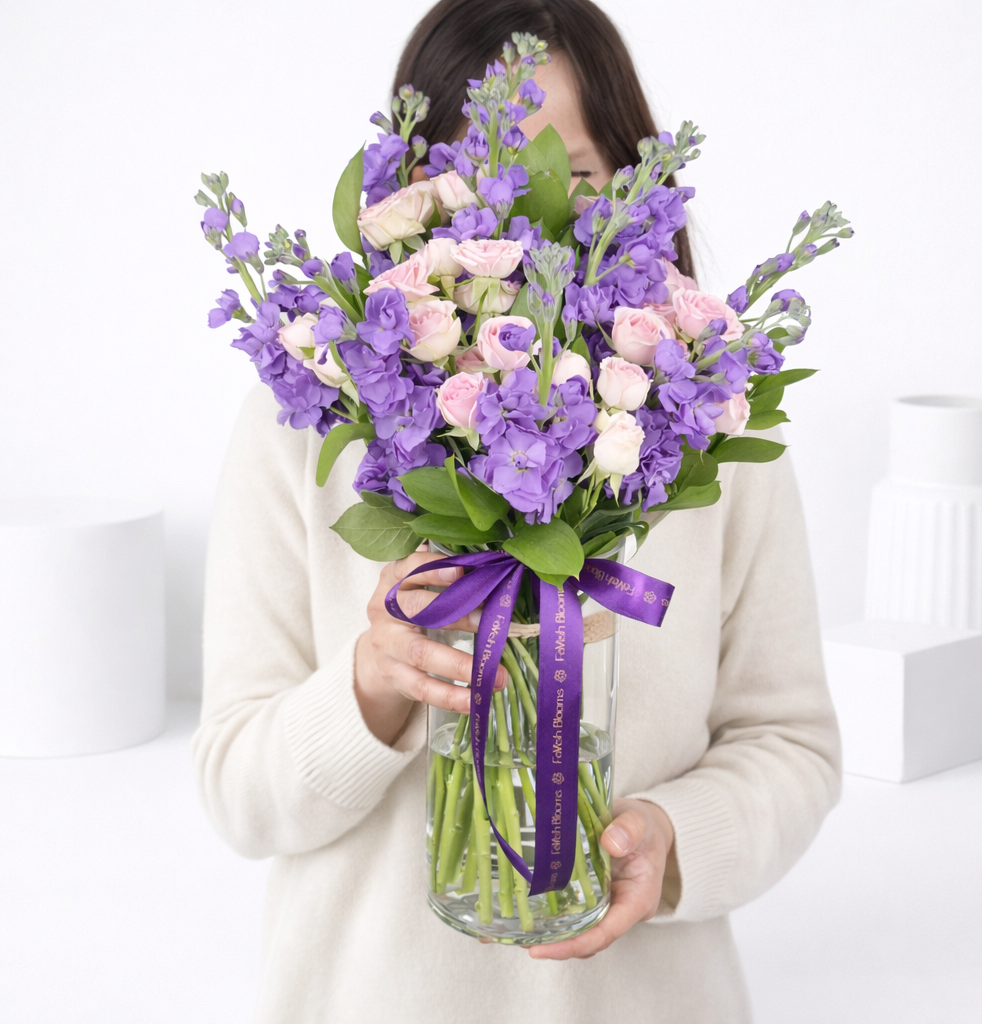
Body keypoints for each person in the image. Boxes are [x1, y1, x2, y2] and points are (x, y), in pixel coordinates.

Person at [192, 1, 842, 1021]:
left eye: (572, 178)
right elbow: (235, 787)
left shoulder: (702, 428)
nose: (518, 219)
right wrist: (367, 691)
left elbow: (790, 745)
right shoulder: (308, 423)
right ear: (403, 200)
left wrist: (672, 843)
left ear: (635, 191)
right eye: (471, 182)